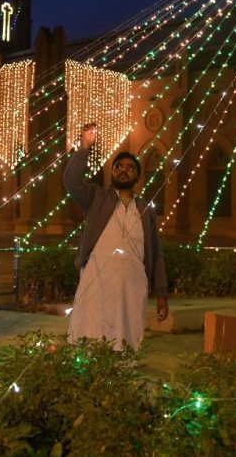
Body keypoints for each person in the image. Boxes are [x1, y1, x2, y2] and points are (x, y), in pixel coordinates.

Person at [63, 122, 169, 350]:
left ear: (138, 176)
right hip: (97, 284)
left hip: (132, 286)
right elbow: (71, 181)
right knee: (90, 336)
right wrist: (84, 148)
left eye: (130, 168)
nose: (123, 170)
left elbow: (156, 253)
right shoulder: (96, 198)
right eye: (119, 166)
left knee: (126, 339)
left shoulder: (145, 210)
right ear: (112, 172)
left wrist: (161, 293)